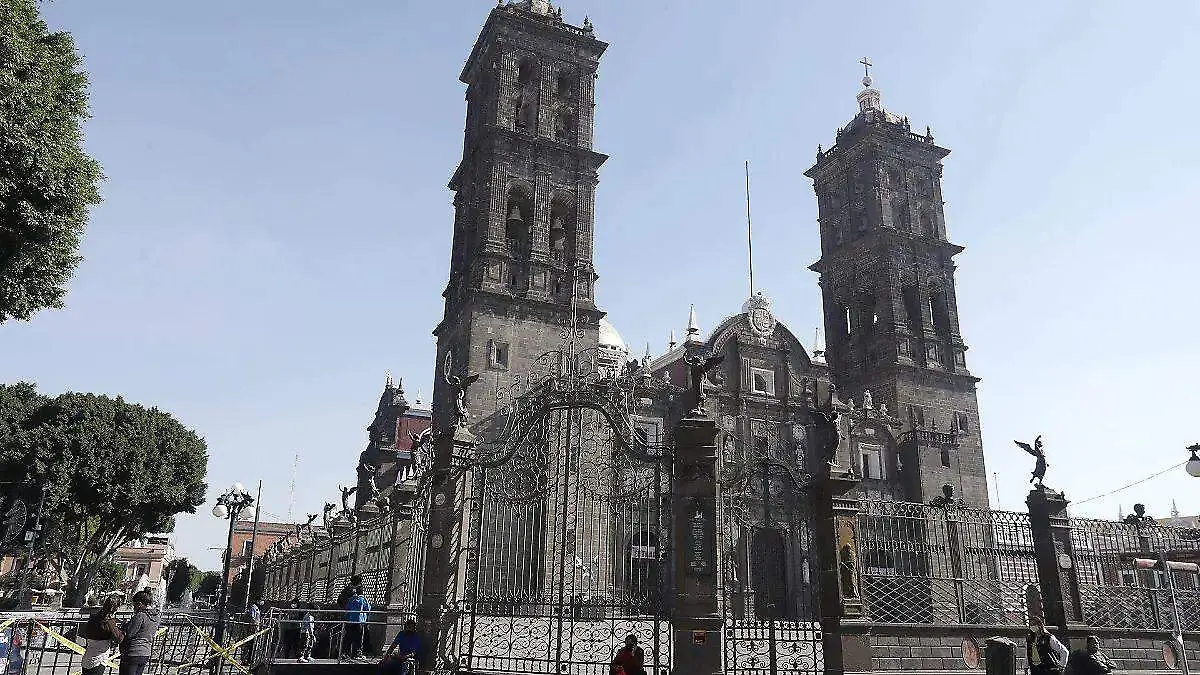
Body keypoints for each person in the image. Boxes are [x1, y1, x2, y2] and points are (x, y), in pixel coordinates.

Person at [119, 591, 160, 675]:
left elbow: (130, 633)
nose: (133, 607)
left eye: (134, 605)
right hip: (145, 653)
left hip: (133, 653)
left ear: (139, 604)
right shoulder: (157, 618)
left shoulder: (140, 615)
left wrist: (125, 625)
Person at [81, 596, 124, 675]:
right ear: (116, 608)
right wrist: (122, 630)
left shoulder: (94, 617)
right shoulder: (109, 621)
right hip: (99, 658)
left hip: (89, 654)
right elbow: (118, 638)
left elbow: (86, 632)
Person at [344, 587, 371, 661]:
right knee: (359, 638)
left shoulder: (351, 599)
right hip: (360, 621)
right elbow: (368, 608)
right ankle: (357, 654)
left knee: (350, 636)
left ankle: (346, 653)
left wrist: (347, 619)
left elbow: (347, 609)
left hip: (351, 621)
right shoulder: (363, 599)